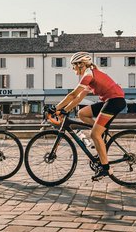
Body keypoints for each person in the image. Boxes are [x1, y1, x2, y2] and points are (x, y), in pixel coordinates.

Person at [53, 51, 126, 181]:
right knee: (82, 113)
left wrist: (56, 108)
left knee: (94, 134)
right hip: (109, 101)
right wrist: (65, 110)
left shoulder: (88, 74)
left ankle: (106, 168)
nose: (72, 68)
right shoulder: (90, 75)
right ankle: (99, 130)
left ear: (80, 64)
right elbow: (78, 98)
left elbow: (73, 95)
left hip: (115, 101)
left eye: (74, 65)